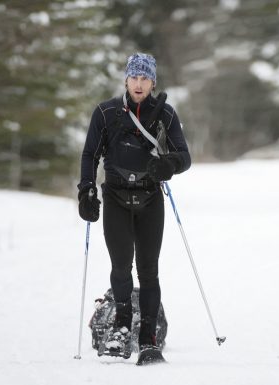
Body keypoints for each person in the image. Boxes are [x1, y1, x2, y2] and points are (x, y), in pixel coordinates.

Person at [77, 53, 191, 361]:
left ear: (153, 82)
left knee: (149, 271)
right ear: (126, 80)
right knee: (120, 267)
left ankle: (148, 338)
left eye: (145, 79)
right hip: (115, 196)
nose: (139, 84)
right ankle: (121, 328)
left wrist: (168, 165)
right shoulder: (106, 113)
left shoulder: (164, 113)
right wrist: (86, 190)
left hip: (150, 199)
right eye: (134, 78)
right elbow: (90, 155)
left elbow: (184, 156)